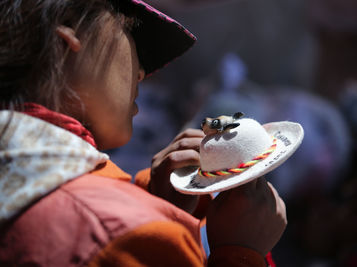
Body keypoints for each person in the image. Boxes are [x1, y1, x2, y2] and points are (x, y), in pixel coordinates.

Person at [0, 0, 287, 266]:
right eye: (129, 29)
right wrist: (240, 252)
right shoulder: (125, 234)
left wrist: (156, 202)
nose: (142, 73)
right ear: (69, 27)